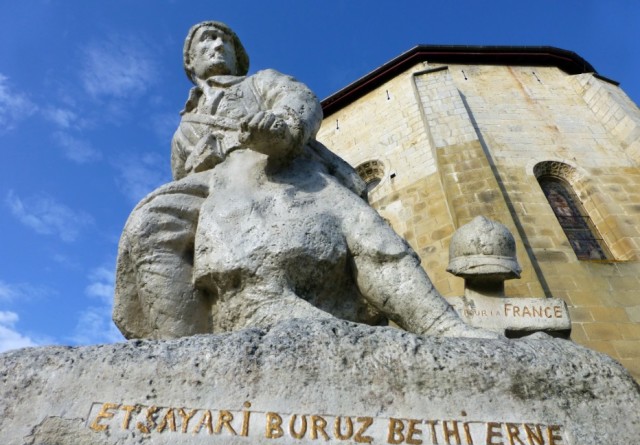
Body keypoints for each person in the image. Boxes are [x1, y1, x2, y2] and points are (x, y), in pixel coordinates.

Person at [113, 21, 497, 340]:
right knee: (149, 221)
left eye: (225, 40)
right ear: (190, 61)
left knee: (367, 235)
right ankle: (183, 348)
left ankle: (439, 324)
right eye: (206, 40)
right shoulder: (184, 129)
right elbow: (184, 177)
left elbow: (300, 99)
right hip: (216, 184)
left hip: (277, 159)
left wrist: (282, 128)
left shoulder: (259, 82)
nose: (218, 45)